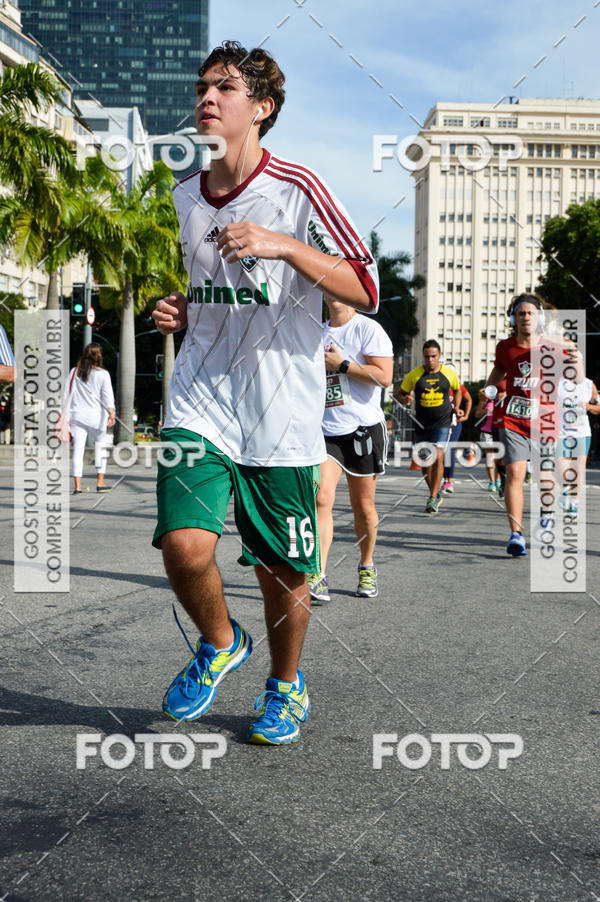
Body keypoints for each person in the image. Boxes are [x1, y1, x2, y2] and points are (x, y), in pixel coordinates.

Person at [151, 41, 379, 746]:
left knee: (283, 571)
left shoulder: (299, 188)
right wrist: (186, 310)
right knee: (186, 547)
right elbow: (214, 291)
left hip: (280, 411)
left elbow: (364, 287)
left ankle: (286, 685)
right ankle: (220, 642)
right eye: (202, 87)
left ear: (262, 108)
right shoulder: (185, 193)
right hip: (200, 399)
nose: (206, 99)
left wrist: (284, 246)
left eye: (224, 88)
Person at [480, 293, 582, 556]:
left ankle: (547, 513)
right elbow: (499, 371)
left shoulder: (555, 346)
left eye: (531, 313)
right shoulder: (504, 346)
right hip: (512, 418)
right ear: (514, 317)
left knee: (547, 475)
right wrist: (488, 389)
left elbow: (578, 378)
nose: (526, 317)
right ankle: (516, 535)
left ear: (540, 317)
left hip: (545, 421)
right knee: (515, 474)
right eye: (521, 313)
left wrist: (576, 357)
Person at [306, 296, 393, 604]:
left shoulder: (368, 329)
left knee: (363, 507)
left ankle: (367, 565)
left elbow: (384, 377)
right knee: (320, 498)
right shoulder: (315, 330)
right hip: (325, 430)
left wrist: (341, 364)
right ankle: (317, 574)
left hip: (362, 429)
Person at [397, 340, 464, 514]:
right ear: (423, 357)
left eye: (433, 356)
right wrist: (405, 399)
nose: (430, 360)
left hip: (443, 422)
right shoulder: (415, 375)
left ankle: (433, 498)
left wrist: (456, 408)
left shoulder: (449, 374)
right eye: (427, 356)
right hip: (421, 423)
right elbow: (401, 393)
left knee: (438, 455)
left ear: (439, 356)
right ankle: (434, 492)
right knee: (424, 462)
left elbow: (458, 390)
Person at [65, 343, 115, 494]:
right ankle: (100, 482)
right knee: (100, 447)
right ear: (99, 356)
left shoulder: (75, 372)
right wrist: (112, 413)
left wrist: (65, 416)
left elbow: (66, 394)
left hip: (77, 416)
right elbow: (107, 397)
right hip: (97, 417)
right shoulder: (103, 374)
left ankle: (78, 487)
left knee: (77, 451)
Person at [557, 376, 600, 516]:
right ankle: (565, 490)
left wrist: (588, 406)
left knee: (578, 469)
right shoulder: (556, 382)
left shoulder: (588, 384)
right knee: (562, 469)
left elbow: (598, 408)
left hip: (582, 433)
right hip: (561, 433)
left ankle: (574, 502)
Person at [441, 380, 472, 493]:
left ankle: (449, 481)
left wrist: (467, 415)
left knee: (450, 449)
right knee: (442, 451)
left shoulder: (459, 387)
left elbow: (468, 399)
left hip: (455, 422)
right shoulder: (438, 384)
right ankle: (444, 480)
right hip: (440, 422)